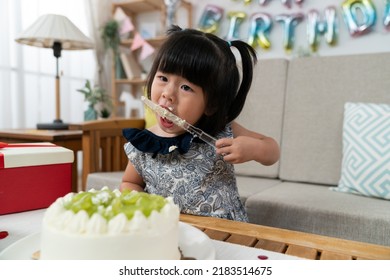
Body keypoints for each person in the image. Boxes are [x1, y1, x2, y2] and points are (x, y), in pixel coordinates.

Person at [120, 26, 280, 222]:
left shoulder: (222, 131)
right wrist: (141, 203)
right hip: (171, 232)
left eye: (186, 87)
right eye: (163, 78)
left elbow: (272, 151)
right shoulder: (144, 143)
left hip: (226, 231)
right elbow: (129, 182)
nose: (167, 93)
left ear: (211, 104)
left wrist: (253, 148)